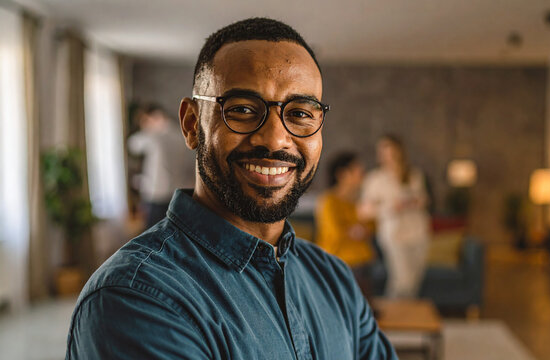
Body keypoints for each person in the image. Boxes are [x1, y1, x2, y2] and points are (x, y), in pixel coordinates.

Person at [66, 18, 396, 359]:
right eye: (241, 109)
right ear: (192, 124)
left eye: (299, 113)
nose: (274, 139)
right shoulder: (135, 297)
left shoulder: (333, 279)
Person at [359, 135, 431, 299]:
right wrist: (390, 208)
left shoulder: (414, 175)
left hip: (419, 232)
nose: (387, 154)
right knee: (402, 281)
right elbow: (364, 211)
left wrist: (416, 202)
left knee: (414, 282)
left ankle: (407, 320)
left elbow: (424, 199)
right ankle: (391, 316)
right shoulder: (375, 179)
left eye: (390, 149)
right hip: (393, 234)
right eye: (383, 150)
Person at [316, 152, 375, 297]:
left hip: (363, 261)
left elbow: (372, 227)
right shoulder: (329, 201)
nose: (362, 173)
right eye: (357, 169)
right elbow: (335, 232)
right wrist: (356, 231)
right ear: (342, 174)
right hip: (339, 262)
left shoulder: (360, 201)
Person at [127, 104, 195, 228]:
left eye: (146, 121)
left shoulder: (154, 137)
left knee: (154, 235)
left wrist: (147, 129)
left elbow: (132, 144)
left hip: (157, 196)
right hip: (179, 193)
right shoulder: (182, 135)